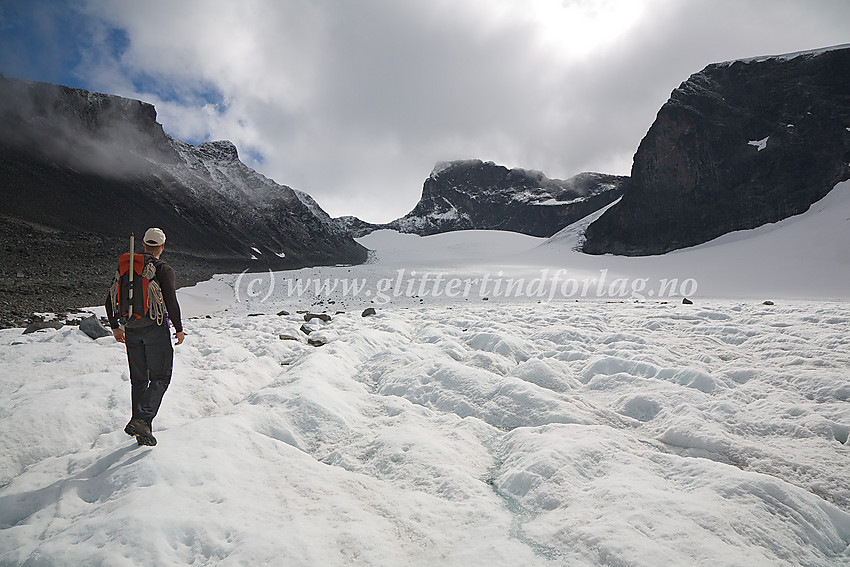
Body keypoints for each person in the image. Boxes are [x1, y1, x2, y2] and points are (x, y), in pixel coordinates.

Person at [106, 227, 185, 446]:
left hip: (131, 329)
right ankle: (142, 419)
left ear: (143, 244)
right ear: (162, 246)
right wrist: (178, 328)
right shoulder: (163, 269)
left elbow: (109, 299)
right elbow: (170, 300)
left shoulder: (126, 269)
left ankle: (142, 430)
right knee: (160, 377)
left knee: (139, 380)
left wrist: (115, 327)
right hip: (155, 328)